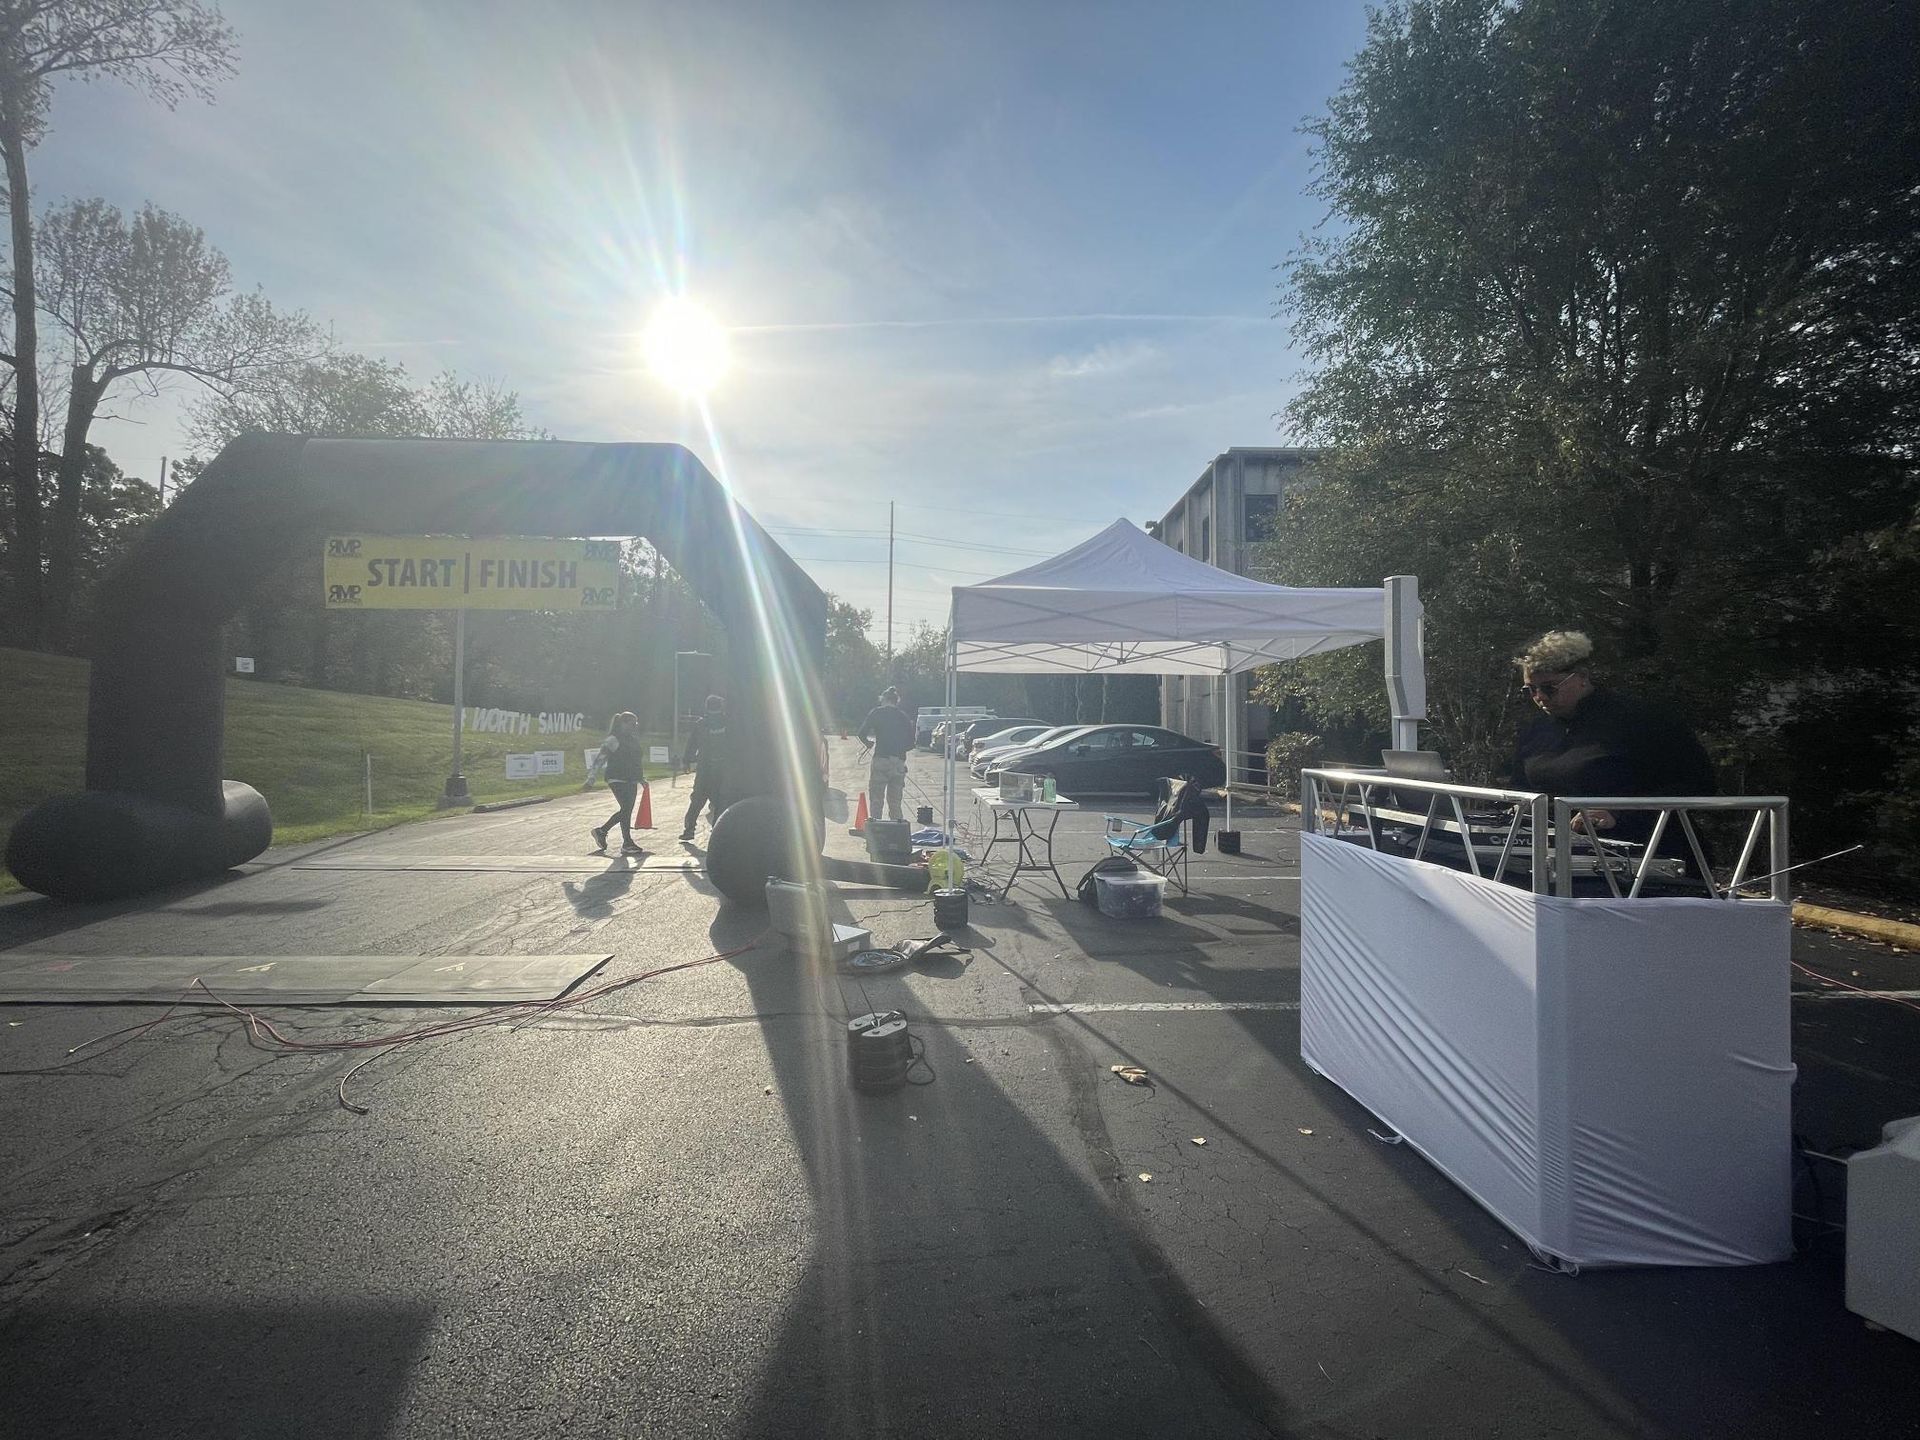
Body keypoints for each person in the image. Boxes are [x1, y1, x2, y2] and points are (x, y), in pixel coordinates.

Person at [1512, 630, 1715, 847]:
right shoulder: (1536, 730)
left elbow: (1699, 782)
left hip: (1648, 852)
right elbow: (1522, 786)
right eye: (1531, 689)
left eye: (1549, 688)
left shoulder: (1642, 719)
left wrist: (1618, 813)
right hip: (1556, 852)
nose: (1539, 697)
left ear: (1581, 677)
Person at [590, 712, 646, 854]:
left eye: (636, 724)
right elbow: (600, 758)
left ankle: (612, 836)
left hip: (631, 779)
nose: (634, 727)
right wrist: (591, 776)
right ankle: (620, 838)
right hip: (617, 778)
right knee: (626, 809)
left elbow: (636, 761)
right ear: (623, 724)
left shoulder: (633, 739)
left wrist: (640, 778)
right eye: (632, 724)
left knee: (626, 811)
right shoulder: (613, 740)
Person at [858, 686, 913, 823]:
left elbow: (861, 733)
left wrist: (868, 743)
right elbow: (912, 743)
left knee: (877, 799)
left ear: (883, 699)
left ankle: (876, 832)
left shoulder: (877, 713)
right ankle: (896, 832)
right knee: (895, 802)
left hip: (881, 759)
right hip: (899, 762)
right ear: (896, 701)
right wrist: (899, 750)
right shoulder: (903, 716)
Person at [679, 694, 729, 841]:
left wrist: (687, 760)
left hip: (704, 768)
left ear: (706, 707)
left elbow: (692, 743)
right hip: (721, 769)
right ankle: (718, 831)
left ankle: (689, 829)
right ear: (721, 707)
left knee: (697, 800)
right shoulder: (727, 722)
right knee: (720, 801)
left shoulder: (701, 723)